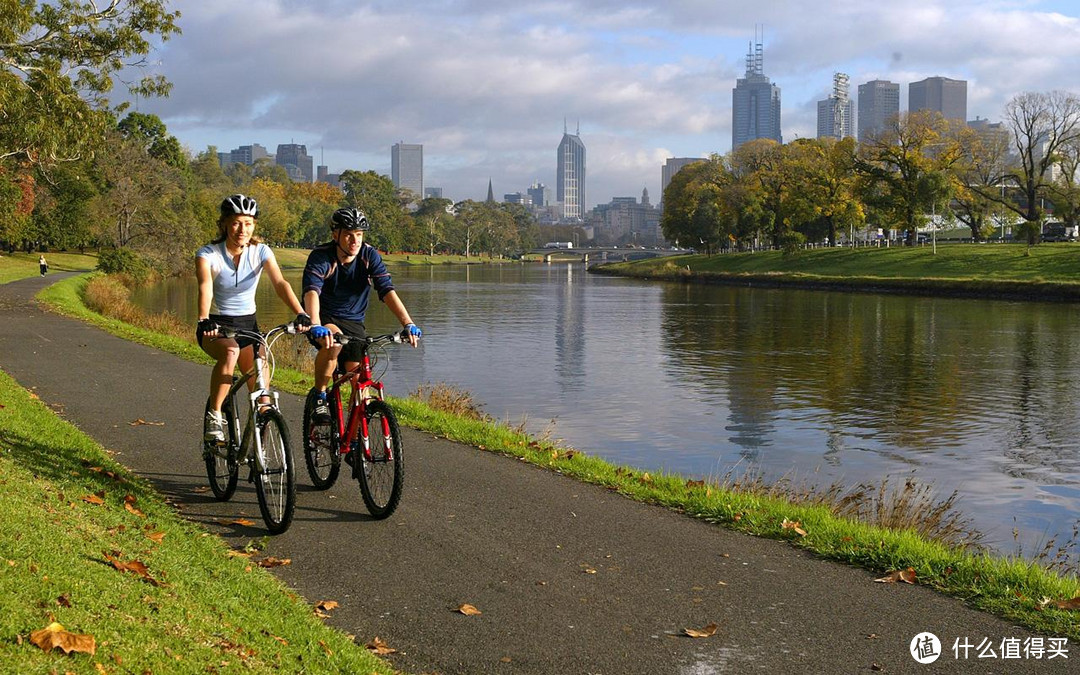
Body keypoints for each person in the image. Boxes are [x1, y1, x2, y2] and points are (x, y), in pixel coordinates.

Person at [196, 194, 311, 442]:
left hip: (248, 326)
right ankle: (215, 415)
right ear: (224, 223)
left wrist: (301, 313)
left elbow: (280, 283)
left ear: (254, 225)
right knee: (230, 353)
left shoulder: (261, 251)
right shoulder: (208, 254)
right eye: (236, 222)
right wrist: (203, 318)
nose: (242, 229)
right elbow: (205, 286)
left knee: (263, 396)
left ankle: (259, 447)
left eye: (248, 223)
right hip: (215, 326)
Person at [302, 207, 421, 421]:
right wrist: (315, 324)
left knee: (361, 387)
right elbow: (311, 291)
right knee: (334, 343)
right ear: (335, 234)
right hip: (324, 317)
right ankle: (319, 394)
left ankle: (356, 442)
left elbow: (386, 290)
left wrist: (408, 323)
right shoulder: (322, 257)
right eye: (348, 234)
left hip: (354, 322)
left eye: (358, 234)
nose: (354, 240)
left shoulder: (368, 255)